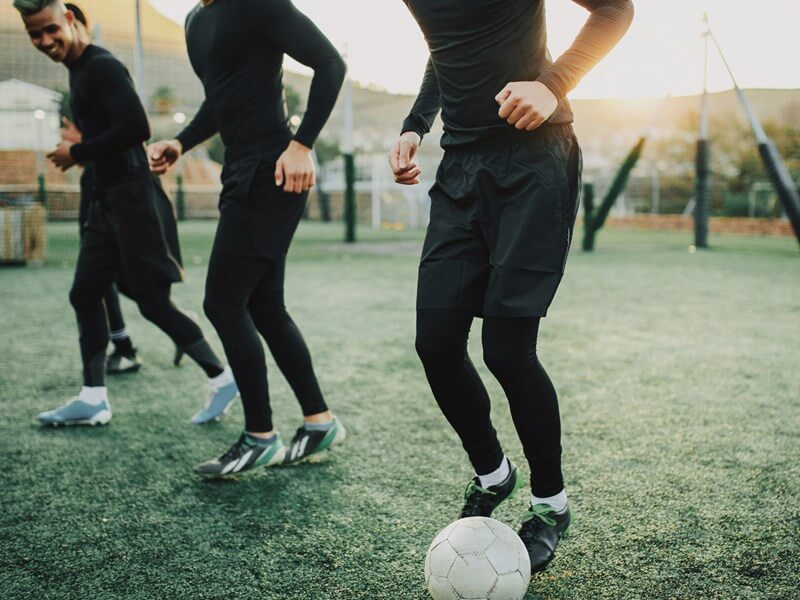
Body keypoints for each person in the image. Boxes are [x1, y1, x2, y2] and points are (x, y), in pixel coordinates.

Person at [390, 0, 633, 572]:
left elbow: (615, 9)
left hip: (533, 162)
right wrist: (414, 123)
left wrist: (554, 84)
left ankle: (550, 505)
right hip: (461, 167)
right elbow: (446, 48)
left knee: (506, 349)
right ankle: (494, 473)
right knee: (436, 343)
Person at [147, 0, 346, 477]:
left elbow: (331, 63)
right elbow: (222, 97)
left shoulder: (257, 3)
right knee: (264, 308)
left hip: (274, 168)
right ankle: (318, 421)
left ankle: (260, 435)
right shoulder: (196, 20)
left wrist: (302, 145)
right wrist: (181, 142)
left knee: (223, 302)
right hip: (239, 169)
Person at [15, 0, 236, 428]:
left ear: (72, 20)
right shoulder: (78, 71)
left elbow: (137, 127)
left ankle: (222, 376)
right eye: (34, 35)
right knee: (85, 293)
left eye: (49, 29)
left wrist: (76, 151)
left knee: (153, 303)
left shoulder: (101, 66)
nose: (44, 41)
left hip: (133, 198)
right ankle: (94, 397)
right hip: (106, 199)